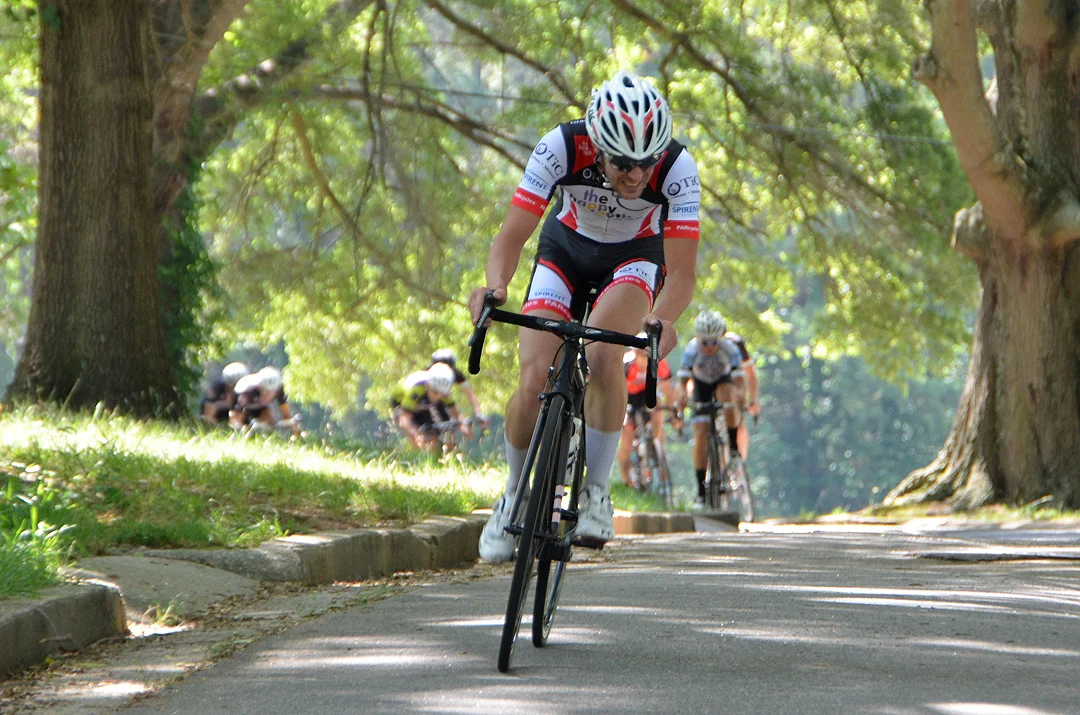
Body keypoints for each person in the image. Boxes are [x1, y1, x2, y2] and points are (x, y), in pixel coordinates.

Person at [469, 70, 701, 562]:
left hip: (634, 258)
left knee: (603, 350)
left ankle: (596, 492)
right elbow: (510, 237)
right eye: (622, 163)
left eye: (645, 162)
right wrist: (495, 289)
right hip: (564, 253)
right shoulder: (561, 145)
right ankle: (513, 494)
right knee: (532, 376)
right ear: (596, 146)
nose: (636, 175)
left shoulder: (678, 168)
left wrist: (661, 319)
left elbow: (681, 274)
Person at [675, 310, 747, 508]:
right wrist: (681, 397)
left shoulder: (730, 349)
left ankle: (733, 449)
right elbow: (682, 381)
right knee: (700, 434)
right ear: (698, 339)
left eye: (713, 342)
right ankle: (700, 491)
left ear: (720, 339)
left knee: (729, 395)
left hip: (723, 382)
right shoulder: (691, 350)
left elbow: (740, 380)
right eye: (703, 342)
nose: (708, 347)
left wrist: (741, 395)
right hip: (701, 385)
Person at [616, 343, 677, 487]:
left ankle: (655, 441)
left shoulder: (659, 363)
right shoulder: (626, 364)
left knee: (658, 405)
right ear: (634, 352)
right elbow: (616, 394)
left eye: (647, 356)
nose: (644, 359)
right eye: (640, 355)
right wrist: (622, 415)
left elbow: (668, 391)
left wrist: (673, 413)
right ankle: (626, 481)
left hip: (648, 394)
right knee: (626, 438)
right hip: (627, 397)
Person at [390, 363, 471, 451]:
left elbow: (455, 413)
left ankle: (445, 455)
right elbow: (404, 421)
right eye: (435, 392)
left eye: (442, 393)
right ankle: (417, 455)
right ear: (428, 385)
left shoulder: (442, 393)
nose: (438, 396)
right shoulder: (416, 390)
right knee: (417, 436)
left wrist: (463, 426)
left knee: (439, 432)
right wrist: (416, 434)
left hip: (424, 404)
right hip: (402, 404)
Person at [723, 329, 760, 460]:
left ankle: (739, 467)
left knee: (738, 420)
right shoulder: (699, 346)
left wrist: (753, 400)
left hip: (735, 382)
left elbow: (750, 374)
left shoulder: (736, 343)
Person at [230, 366, 300, 435]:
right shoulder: (248, 391)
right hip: (243, 407)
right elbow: (235, 413)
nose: (267, 394)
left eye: (271, 391)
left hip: (262, 407)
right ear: (259, 385)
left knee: (269, 420)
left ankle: (264, 434)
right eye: (264, 390)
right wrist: (240, 428)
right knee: (239, 425)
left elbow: (285, 414)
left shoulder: (280, 390)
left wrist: (294, 429)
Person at [428, 348, 488, 429]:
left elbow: (470, 394)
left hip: (445, 399)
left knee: (460, 424)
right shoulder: (427, 372)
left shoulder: (456, 374)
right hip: (427, 401)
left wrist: (478, 413)